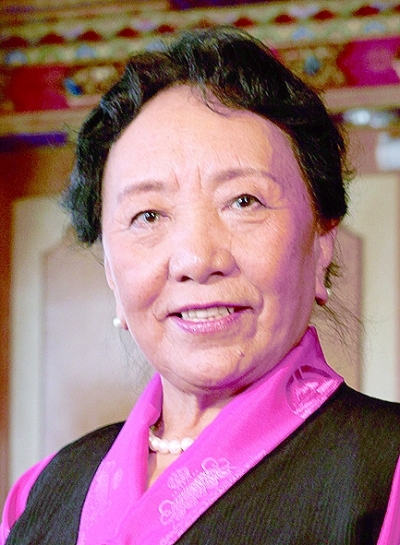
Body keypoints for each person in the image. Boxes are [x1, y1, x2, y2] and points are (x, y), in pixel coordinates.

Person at [1, 26, 400, 545]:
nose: (196, 260)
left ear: (322, 242)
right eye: (147, 215)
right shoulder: (41, 493)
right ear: (112, 274)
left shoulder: (386, 472)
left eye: (243, 202)